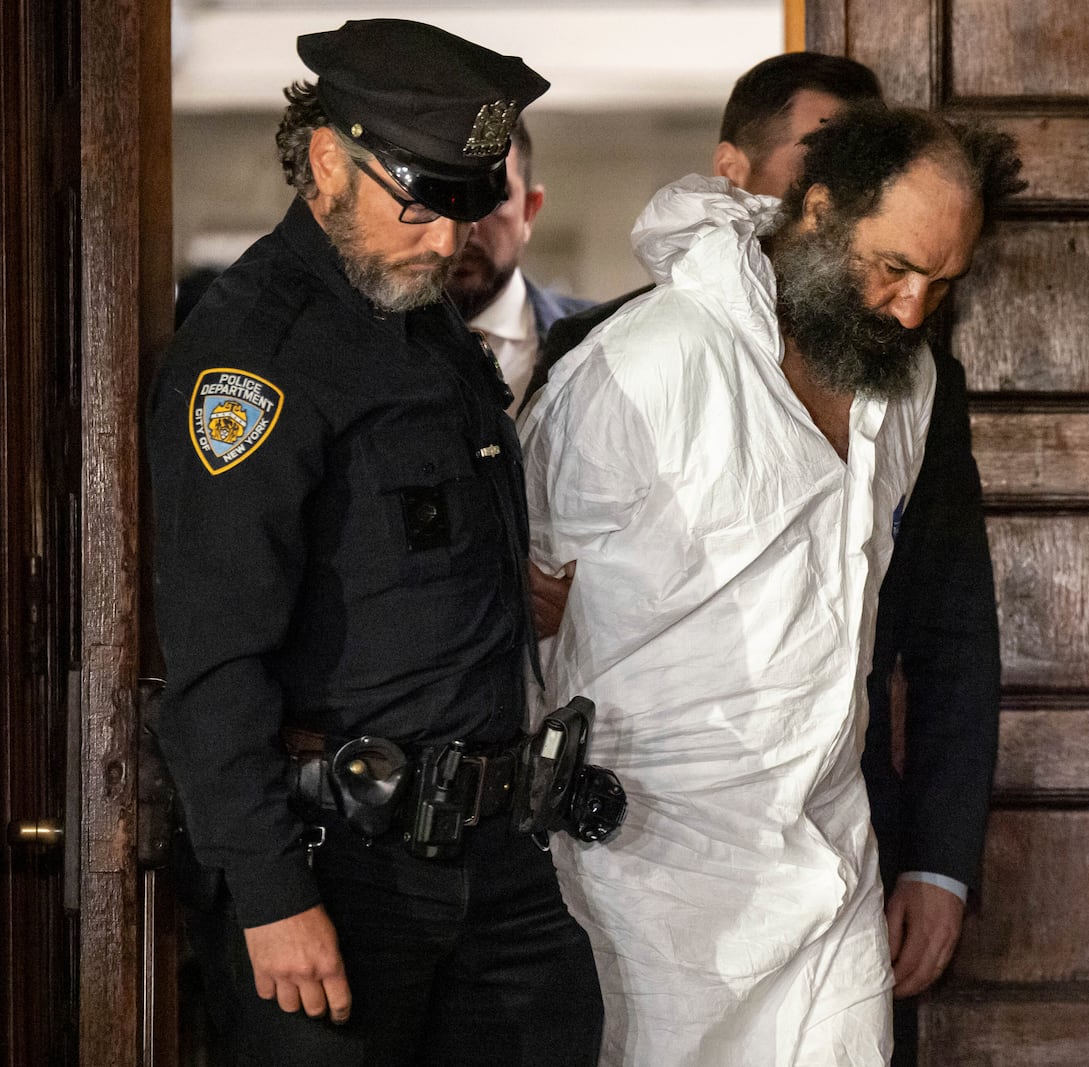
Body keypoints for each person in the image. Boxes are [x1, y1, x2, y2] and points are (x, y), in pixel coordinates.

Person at [522, 105, 1023, 1066]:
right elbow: (523, 617)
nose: (914, 310)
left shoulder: (906, 380)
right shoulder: (640, 363)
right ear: (819, 211)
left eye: (942, 282)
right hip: (645, 872)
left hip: (830, 860)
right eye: (894, 268)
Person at [146, 19, 602, 1066]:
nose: (446, 243)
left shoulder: (410, 305)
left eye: (464, 206)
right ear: (323, 159)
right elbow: (216, 663)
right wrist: (270, 895)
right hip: (341, 869)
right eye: (418, 203)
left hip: (495, 858)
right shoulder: (255, 359)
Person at [446, 120, 593, 415]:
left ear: (529, 211)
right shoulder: (358, 346)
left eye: (492, 196)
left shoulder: (598, 341)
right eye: (447, 195)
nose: (469, 224)